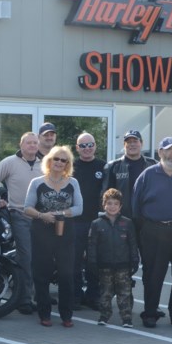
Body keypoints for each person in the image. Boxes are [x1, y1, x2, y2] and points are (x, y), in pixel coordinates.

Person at [133, 137, 172, 328]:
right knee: (154, 273)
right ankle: (150, 313)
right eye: (168, 150)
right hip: (154, 230)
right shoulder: (148, 175)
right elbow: (136, 206)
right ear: (160, 153)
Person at [23, 145, 82, 328]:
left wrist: (60, 214)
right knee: (42, 274)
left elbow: (79, 208)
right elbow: (27, 208)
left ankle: (66, 314)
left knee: (66, 274)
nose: (59, 162)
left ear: (68, 164)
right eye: (56, 158)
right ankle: (44, 313)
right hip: (42, 232)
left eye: (63, 160)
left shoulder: (73, 183)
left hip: (65, 232)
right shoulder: (37, 183)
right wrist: (42, 215)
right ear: (49, 160)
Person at [0, 132, 41, 315]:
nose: (32, 146)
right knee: (26, 257)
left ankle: (37, 296)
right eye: (28, 143)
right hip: (19, 215)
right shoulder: (9, 162)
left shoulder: (43, 164)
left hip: (40, 218)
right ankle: (24, 299)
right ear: (21, 145)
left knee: (39, 259)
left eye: (34, 143)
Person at [87, 188, 138, 328]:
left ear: (120, 206)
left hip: (123, 264)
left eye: (116, 204)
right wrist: (92, 261)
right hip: (104, 265)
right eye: (109, 203)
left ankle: (126, 318)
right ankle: (104, 315)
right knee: (105, 292)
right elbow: (92, 245)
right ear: (104, 205)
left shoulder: (127, 223)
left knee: (125, 293)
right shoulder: (96, 224)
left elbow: (132, 243)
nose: (112, 207)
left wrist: (135, 260)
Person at [72, 132, 106, 311]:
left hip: (96, 222)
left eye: (90, 145)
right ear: (77, 148)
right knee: (75, 261)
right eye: (83, 146)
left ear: (95, 146)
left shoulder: (103, 166)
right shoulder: (71, 166)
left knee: (94, 261)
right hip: (75, 222)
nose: (87, 149)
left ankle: (93, 297)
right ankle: (75, 296)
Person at [102, 130, 156, 222]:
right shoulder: (113, 166)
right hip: (121, 219)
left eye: (135, 141)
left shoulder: (153, 165)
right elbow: (105, 195)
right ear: (124, 145)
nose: (132, 144)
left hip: (147, 219)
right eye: (129, 142)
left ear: (141, 143)